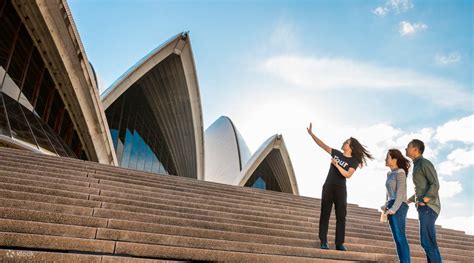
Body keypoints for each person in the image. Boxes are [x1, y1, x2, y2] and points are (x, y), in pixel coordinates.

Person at [307, 122, 373, 251]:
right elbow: (322, 145)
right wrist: (311, 134)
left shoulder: (354, 161)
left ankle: (339, 243)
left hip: (341, 189)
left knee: (341, 216)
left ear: (351, 147)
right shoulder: (336, 153)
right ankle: (324, 241)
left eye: (347, 142)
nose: (344, 143)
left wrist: (337, 165)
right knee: (325, 213)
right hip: (328, 187)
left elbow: (348, 175)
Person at [405, 139, 442, 262]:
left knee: (428, 241)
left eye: (408, 147)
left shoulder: (424, 163)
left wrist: (425, 200)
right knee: (426, 242)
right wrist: (409, 200)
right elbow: (420, 188)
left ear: (415, 149)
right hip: (424, 207)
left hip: (429, 207)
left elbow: (435, 184)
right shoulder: (417, 164)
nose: (406, 149)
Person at [381, 149, 411, 262]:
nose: (385, 159)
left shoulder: (401, 172)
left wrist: (393, 209)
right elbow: (388, 193)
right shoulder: (389, 173)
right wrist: (386, 205)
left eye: (387, 157)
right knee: (397, 239)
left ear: (395, 159)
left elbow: (400, 193)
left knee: (400, 237)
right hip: (391, 205)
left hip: (399, 206)